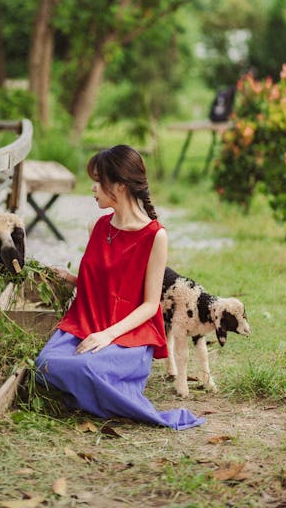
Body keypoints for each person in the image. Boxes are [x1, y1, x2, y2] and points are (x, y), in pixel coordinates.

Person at [35, 144, 205, 431]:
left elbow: (150, 304)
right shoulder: (98, 227)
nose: (92, 188)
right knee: (45, 364)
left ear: (120, 185)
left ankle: (98, 394)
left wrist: (108, 335)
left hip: (129, 337)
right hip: (85, 323)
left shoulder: (155, 236)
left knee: (86, 367)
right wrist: (69, 278)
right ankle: (93, 395)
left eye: (98, 180)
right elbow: (104, 286)